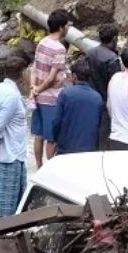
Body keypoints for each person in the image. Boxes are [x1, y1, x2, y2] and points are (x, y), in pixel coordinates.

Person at [0, 64, 29, 220]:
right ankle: (5, 236)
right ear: (22, 75)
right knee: (9, 205)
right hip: (11, 155)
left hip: (0, 154)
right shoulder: (13, 97)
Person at [31, 10, 71, 167]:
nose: (68, 28)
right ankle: (50, 169)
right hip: (51, 98)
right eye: (67, 25)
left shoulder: (42, 42)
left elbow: (35, 67)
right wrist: (40, 89)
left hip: (38, 97)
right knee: (52, 138)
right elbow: (52, 77)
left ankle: (39, 167)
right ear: (61, 28)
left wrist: (33, 88)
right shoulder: (59, 49)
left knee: (39, 134)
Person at [52, 60, 105, 155]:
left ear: (75, 76)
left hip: (66, 147)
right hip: (90, 148)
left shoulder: (66, 93)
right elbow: (100, 125)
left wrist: (55, 139)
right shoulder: (97, 97)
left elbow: (56, 121)